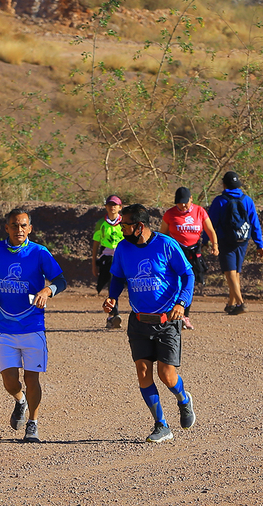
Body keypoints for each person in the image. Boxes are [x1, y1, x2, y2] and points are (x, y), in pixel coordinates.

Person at [104, 204, 197, 443]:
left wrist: (182, 302)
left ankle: (183, 400)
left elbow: (188, 274)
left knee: (166, 375)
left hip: (167, 320)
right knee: (143, 372)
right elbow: (117, 276)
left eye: (125, 225)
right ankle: (161, 424)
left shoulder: (166, 245)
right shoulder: (123, 248)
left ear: (139, 226)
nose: (121, 228)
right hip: (138, 321)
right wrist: (112, 298)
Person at [0, 208, 67, 443]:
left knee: (32, 379)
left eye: (23, 226)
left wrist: (48, 290)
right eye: (14, 225)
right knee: (9, 381)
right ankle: (20, 400)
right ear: (6, 228)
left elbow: (61, 280)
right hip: (5, 328)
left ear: (30, 228)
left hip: (33, 326)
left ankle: (33, 423)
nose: (19, 230)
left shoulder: (39, 253)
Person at [159, 186, 219, 328]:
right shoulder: (170, 214)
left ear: (191, 199)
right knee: (175, 283)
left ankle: (185, 316)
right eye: (179, 203)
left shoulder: (200, 211)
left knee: (189, 283)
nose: (183, 205)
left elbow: (210, 229)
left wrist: (215, 245)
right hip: (176, 252)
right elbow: (162, 235)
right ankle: (170, 313)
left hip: (193, 253)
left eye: (185, 202)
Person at [206, 171, 263, 316]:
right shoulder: (247, 200)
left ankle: (240, 303)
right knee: (236, 272)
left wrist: (206, 240)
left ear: (224, 184)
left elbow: (211, 223)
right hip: (243, 240)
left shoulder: (220, 201)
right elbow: (254, 223)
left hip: (226, 240)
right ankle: (231, 304)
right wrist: (259, 244)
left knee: (229, 272)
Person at [91, 195, 125, 329]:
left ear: (120, 208)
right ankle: (113, 315)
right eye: (110, 205)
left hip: (122, 258)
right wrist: (93, 263)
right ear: (106, 207)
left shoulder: (124, 222)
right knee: (112, 285)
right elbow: (96, 244)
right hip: (108, 259)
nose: (112, 207)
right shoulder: (101, 223)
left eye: (115, 205)